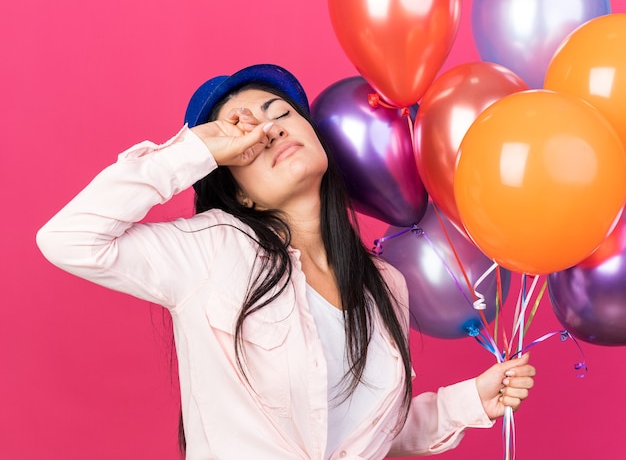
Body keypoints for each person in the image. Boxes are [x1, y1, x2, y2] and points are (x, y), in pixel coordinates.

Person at [36, 64, 536, 459]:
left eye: (280, 113)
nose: (269, 131)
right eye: (243, 133)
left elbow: (357, 431)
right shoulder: (212, 248)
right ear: (239, 193)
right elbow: (68, 238)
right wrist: (198, 148)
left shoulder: (385, 284)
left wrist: (468, 402)